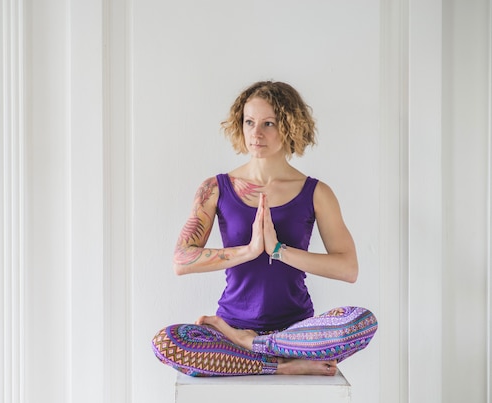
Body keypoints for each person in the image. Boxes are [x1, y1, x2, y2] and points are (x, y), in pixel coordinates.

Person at [151, 81, 378, 377]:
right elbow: (181, 260)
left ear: (289, 127)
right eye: (249, 122)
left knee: (362, 322)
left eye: (268, 123)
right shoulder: (215, 188)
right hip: (230, 329)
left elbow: (349, 269)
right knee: (168, 343)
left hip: (296, 335)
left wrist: (278, 250)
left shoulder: (317, 193)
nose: (256, 134)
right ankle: (276, 363)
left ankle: (258, 347)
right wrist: (249, 250)